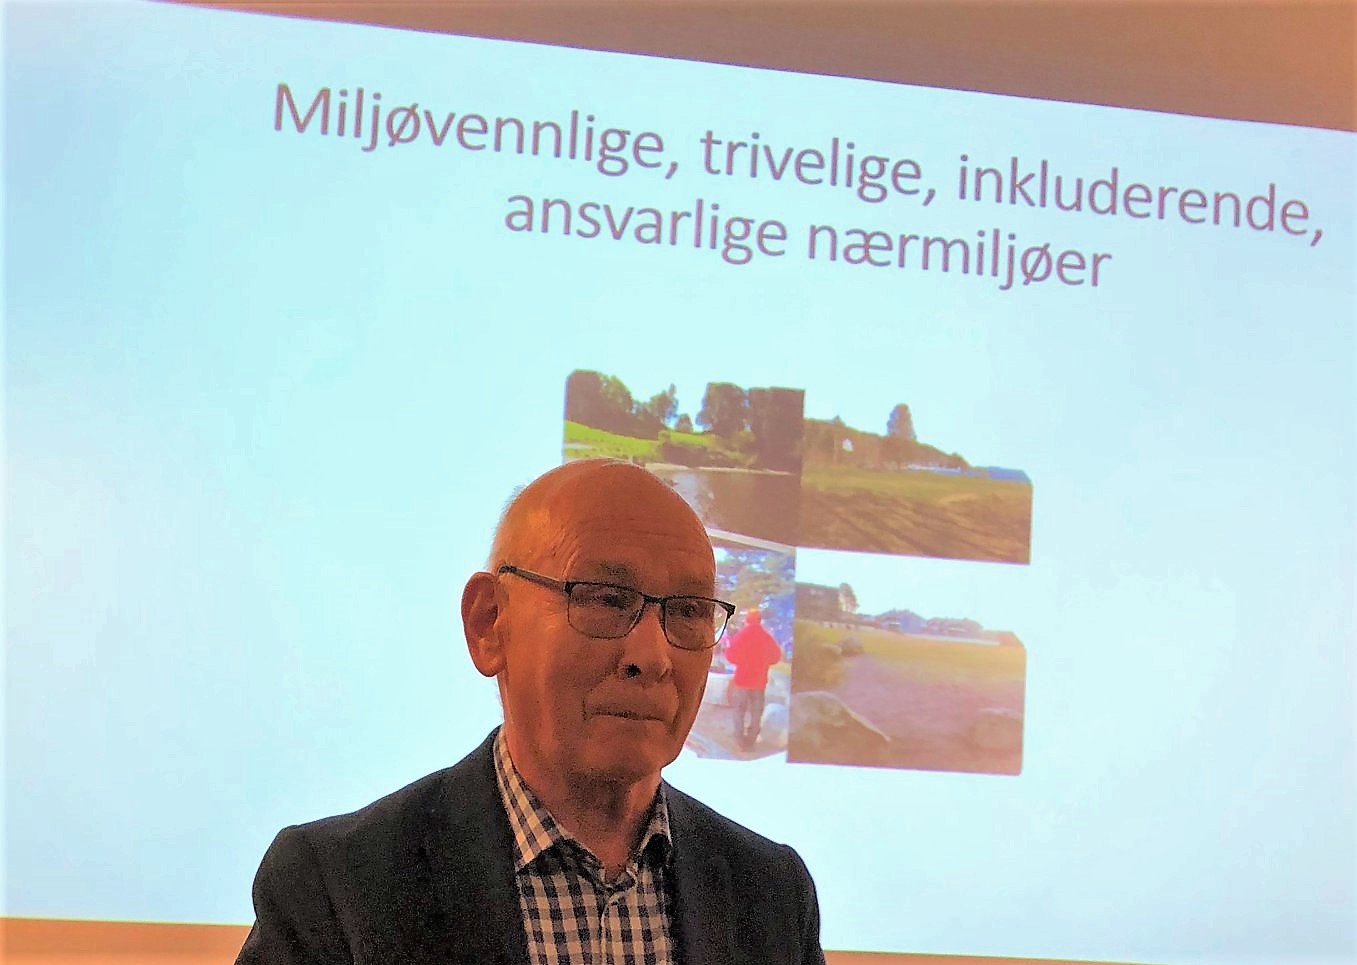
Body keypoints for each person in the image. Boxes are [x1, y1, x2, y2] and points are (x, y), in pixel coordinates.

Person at [236, 459, 825, 965]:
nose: (652, 657)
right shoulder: (336, 889)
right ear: (489, 623)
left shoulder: (771, 894)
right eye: (605, 599)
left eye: (690, 610)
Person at [722, 608, 784, 751]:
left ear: (747, 620)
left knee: (739, 711)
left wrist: (743, 661)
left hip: (742, 681)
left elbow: (730, 656)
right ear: (760, 620)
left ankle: (739, 740)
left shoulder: (741, 635)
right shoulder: (766, 636)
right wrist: (763, 662)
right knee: (756, 713)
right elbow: (776, 657)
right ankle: (751, 741)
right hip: (759, 683)